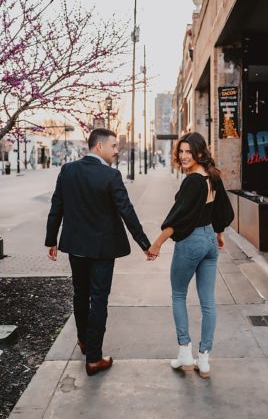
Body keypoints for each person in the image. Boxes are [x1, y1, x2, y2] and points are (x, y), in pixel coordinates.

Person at [45, 128, 154, 376]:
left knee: (80, 294)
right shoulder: (111, 176)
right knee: (98, 299)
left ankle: (84, 342)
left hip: (76, 247)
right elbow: (127, 211)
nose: (116, 151)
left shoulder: (68, 170)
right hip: (103, 249)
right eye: (114, 146)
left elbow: (56, 206)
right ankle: (94, 358)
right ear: (99, 146)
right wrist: (145, 243)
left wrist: (51, 240)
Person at [147, 132, 234, 379]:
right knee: (208, 302)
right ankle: (204, 359)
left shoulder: (193, 181)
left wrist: (156, 244)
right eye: (181, 151)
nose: (184, 156)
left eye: (189, 151)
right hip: (209, 240)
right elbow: (222, 210)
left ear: (200, 152)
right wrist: (218, 234)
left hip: (192, 241)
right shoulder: (212, 176)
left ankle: (185, 352)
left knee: (178, 294)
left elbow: (178, 218)